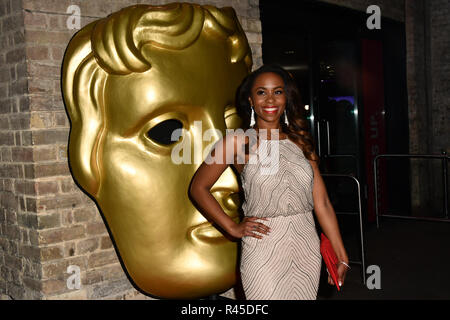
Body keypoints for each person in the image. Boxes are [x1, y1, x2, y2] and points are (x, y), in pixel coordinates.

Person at [190, 64, 350, 300]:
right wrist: (233, 228)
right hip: (262, 249)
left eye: (277, 91)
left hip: (305, 246)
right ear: (251, 100)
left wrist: (341, 254)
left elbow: (322, 202)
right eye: (261, 92)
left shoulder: (300, 141)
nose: (270, 99)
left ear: (286, 98)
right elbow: (198, 188)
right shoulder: (237, 142)